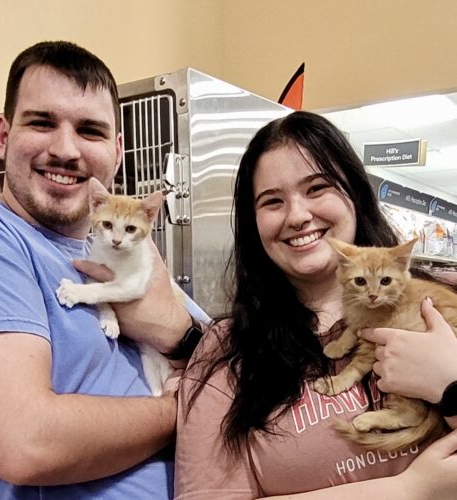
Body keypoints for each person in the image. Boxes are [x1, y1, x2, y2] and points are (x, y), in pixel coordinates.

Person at [0, 40, 198, 499]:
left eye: (90, 130)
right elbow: (27, 444)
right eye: (42, 122)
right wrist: (179, 411)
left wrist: (179, 333)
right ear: (3, 137)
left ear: (117, 151)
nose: (66, 150)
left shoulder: (129, 252)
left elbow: (238, 381)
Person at [174, 111, 457, 499]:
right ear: (253, 223)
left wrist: (451, 386)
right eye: (272, 201)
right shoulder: (227, 350)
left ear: (355, 193)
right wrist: (409, 489)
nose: (298, 216)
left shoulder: (438, 300)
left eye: (317, 188)